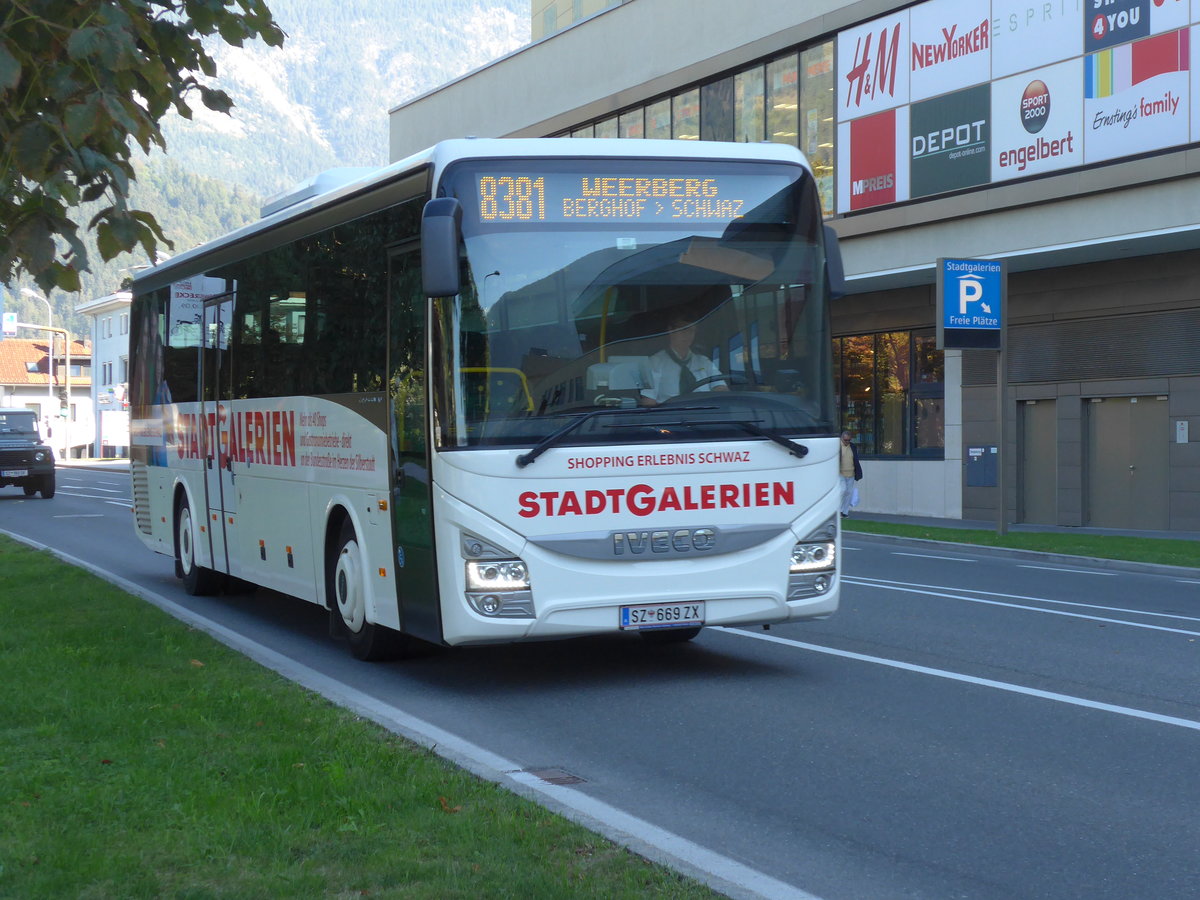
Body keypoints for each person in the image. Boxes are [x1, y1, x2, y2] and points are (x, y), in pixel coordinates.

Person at [639, 311, 727, 406]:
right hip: (672, 416)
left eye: (691, 331)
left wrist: (720, 390)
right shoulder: (654, 362)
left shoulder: (703, 361)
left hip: (704, 413)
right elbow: (649, 401)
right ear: (671, 331)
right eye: (683, 330)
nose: (687, 335)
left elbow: (721, 389)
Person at [839, 431, 863, 517]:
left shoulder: (852, 446)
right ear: (842, 438)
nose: (847, 442)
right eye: (845, 440)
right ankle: (839, 510)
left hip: (851, 473)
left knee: (849, 492)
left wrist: (858, 472)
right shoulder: (837, 447)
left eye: (849, 440)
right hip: (840, 473)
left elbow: (855, 460)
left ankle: (845, 512)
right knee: (843, 490)